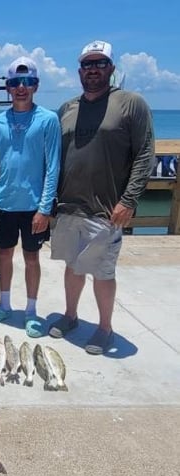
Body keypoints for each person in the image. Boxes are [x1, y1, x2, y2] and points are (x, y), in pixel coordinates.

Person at [49, 40, 156, 354]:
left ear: (111, 68)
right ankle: (70, 315)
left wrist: (130, 199)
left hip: (106, 208)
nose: (92, 69)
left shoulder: (131, 103)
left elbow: (145, 154)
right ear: (79, 70)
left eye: (99, 63)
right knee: (72, 265)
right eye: (87, 64)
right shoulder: (67, 108)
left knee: (102, 272)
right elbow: (56, 156)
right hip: (69, 205)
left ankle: (105, 328)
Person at [0, 56, 61, 338]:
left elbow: (53, 167)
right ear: (8, 87)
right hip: (3, 203)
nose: (21, 88)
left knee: (31, 258)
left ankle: (30, 311)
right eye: (15, 83)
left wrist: (45, 208)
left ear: (36, 85)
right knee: (3, 255)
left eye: (27, 82)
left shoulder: (49, 120)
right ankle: (4, 305)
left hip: (33, 206)